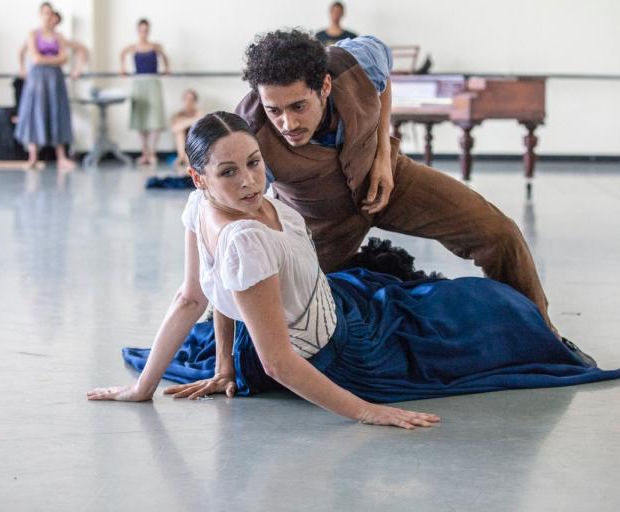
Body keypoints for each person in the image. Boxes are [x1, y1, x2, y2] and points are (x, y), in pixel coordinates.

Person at [87, 111, 620, 429]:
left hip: (334, 304)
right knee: (491, 317)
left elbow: (199, 296)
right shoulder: (243, 237)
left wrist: (221, 364)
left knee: (435, 297)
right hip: (345, 355)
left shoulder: (207, 206)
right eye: (228, 172)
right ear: (198, 178)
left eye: (253, 161)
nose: (250, 181)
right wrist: (366, 412)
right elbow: (276, 362)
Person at [234, 29, 559, 335]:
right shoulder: (250, 133)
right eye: (274, 110)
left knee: (499, 233)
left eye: (298, 106)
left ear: (325, 86)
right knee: (291, 319)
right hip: (321, 223)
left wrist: (382, 157)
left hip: (390, 180)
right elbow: (235, 218)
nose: (287, 123)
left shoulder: (355, 62)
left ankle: (543, 334)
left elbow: (383, 79)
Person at [15, 2, 75, 171]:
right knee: (35, 114)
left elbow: (64, 58)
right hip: (37, 81)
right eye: (45, 13)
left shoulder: (60, 37)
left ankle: (61, 157)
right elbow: (35, 58)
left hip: (55, 81)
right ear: (40, 15)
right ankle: (32, 157)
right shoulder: (33, 34)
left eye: (50, 13)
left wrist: (45, 59)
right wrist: (24, 66)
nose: (48, 16)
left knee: (57, 114)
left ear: (53, 16)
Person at [120, 18, 170, 166]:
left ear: (148, 31)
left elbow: (165, 57)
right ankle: (144, 152)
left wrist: (167, 68)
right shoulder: (133, 47)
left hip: (153, 81)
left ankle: (153, 152)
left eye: (146, 30)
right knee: (140, 118)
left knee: (155, 117)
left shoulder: (155, 46)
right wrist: (122, 68)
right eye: (141, 30)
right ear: (138, 31)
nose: (143, 33)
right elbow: (122, 53)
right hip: (138, 82)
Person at [18, 9, 89, 81]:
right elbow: (29, 55)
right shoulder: (34, 35)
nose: (52, 23)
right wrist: (22, 68)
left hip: (54, 76)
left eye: (56, 22)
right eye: (50, 20)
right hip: (37, 77)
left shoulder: (59, 38)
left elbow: (81, 49)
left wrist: (78, 69)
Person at [170, 89, 202, 170]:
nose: (188, 102)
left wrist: (183, 122)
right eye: (186, 99)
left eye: (191, 100)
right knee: (179, 133)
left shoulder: (198, 113)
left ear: (195, 102)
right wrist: (191, 121)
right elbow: (174, 129)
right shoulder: (177, 114)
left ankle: (185, 158)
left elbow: (200, 126)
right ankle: (182, 157)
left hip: (194, 144)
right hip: (182, 144)